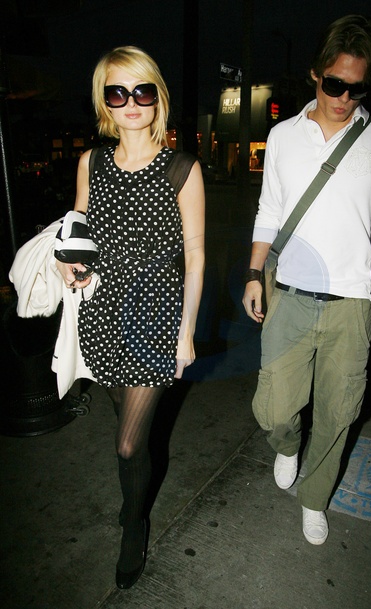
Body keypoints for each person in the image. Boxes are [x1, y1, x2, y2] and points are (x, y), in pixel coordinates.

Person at [242, 15, 371, 546]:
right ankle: (286, 445)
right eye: (334, 84)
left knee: (339, 412)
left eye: (356, 88)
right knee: (274, 409)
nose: (344, 97)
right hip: (289, 296)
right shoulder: (282, 136)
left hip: (351, 304)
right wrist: (254, 273)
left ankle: (314, 497)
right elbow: (270, 211)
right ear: (315, 74)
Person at [55, 46, 205, 588]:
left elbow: (196, 254)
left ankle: (134, 524)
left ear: (157, 97)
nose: (131, 102)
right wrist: (69, 263)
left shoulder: (182, 167)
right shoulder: (91, 163)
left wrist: (187, 331)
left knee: (127, 442)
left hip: (156, 316)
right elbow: (77, 230)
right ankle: (134, 495)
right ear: (105, 103)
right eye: (118, 93)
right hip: (102, 313)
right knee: (126, 430)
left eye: (142, 90)